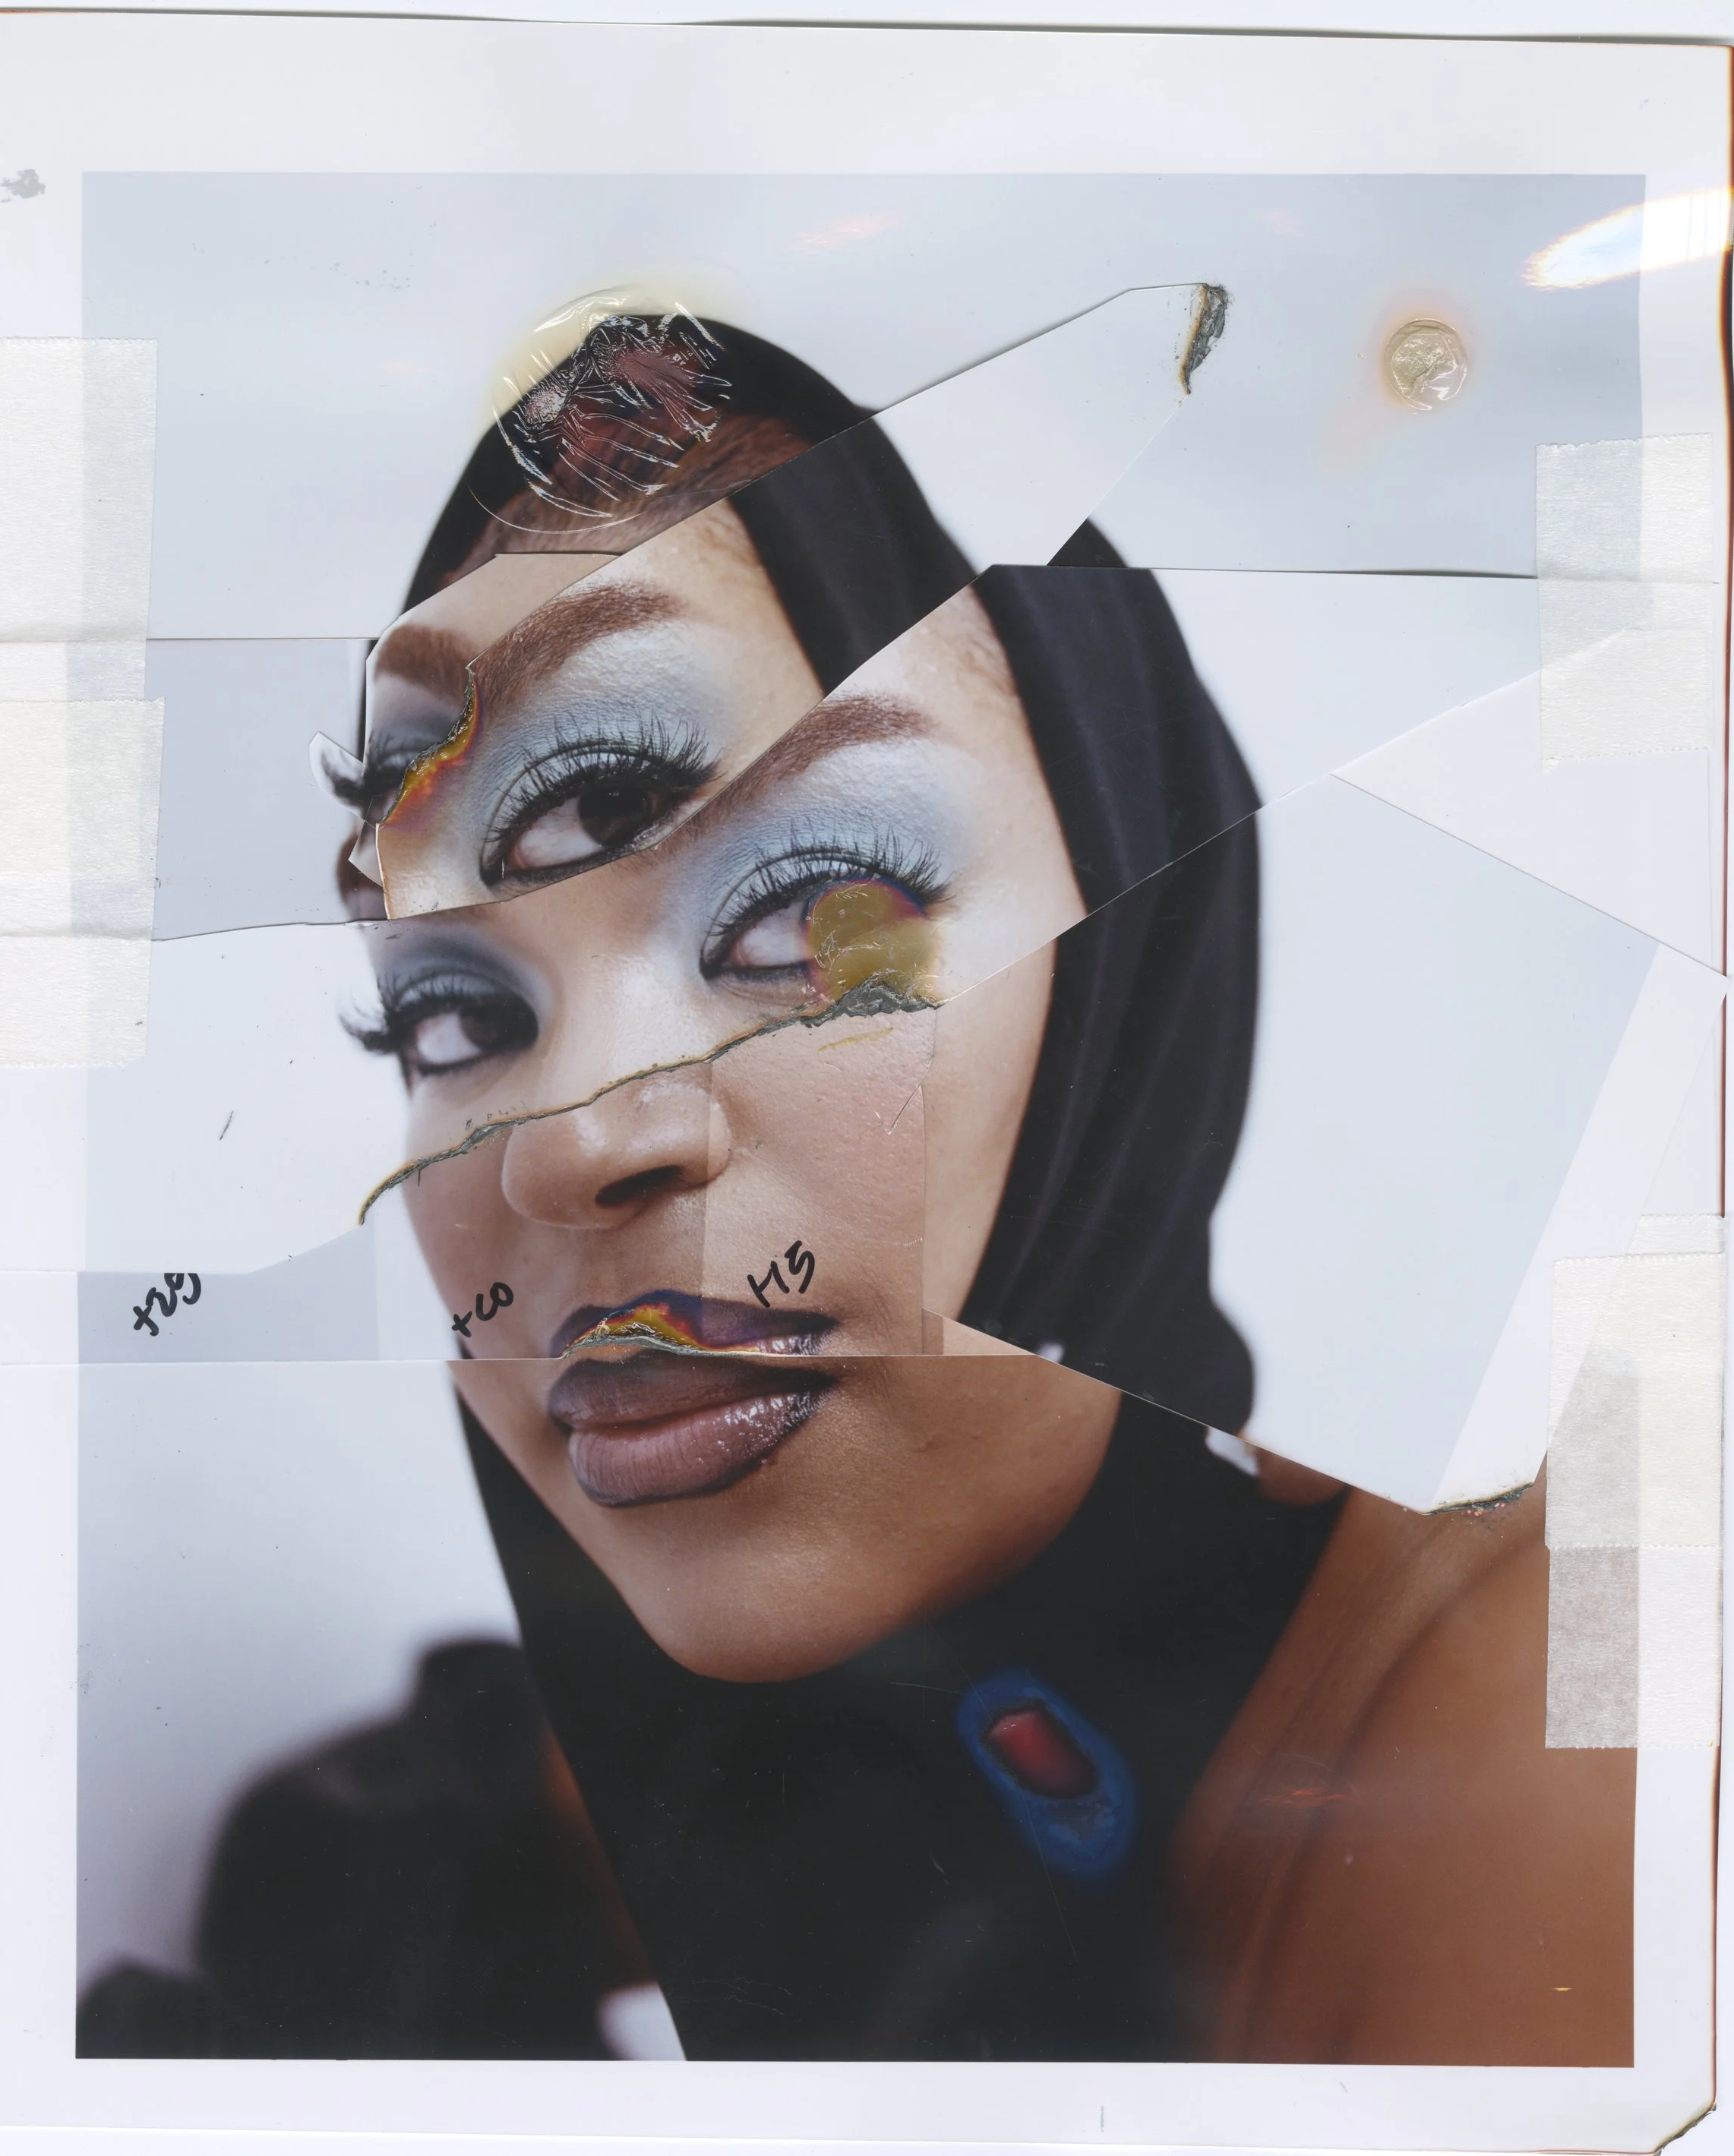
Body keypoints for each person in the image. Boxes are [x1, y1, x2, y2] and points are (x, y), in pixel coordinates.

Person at [123, 307, 1631, 2065]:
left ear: (1127, 974)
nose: (558, 1151)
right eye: (451, 1009)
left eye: (799, 917)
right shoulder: (760, 1748)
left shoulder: (1556, 1739)